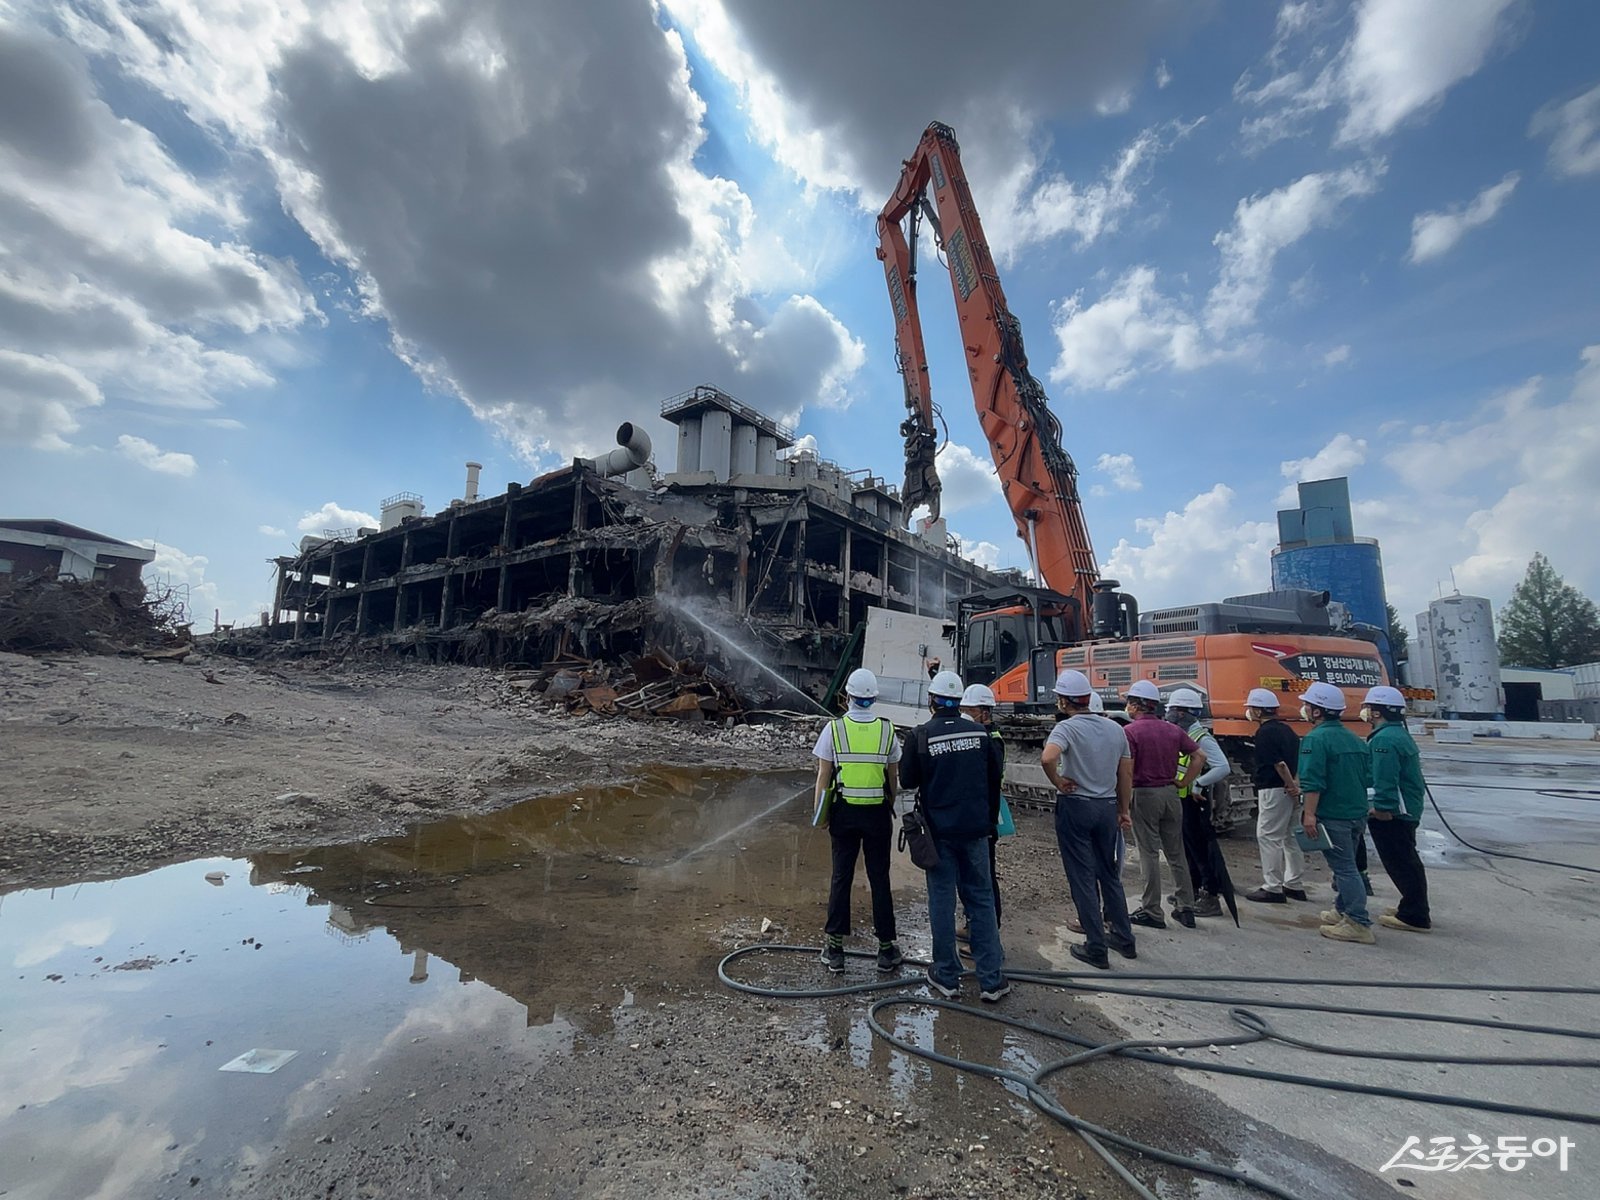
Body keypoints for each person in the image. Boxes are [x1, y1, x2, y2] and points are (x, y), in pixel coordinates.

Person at [899, 669, 1009, 1002]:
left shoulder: (920, 736)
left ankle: (946, 976)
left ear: (931, 700)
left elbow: (907, 781)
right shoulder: (980, 734)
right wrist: (990, 824)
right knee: (981, 900)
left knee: (942, 900)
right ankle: (992, 980)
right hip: (976, 832)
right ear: (959, 702)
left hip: (939, 833)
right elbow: (995, 780)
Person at [1041, 669, 1136, 969]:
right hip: (1107, 807)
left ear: (1065, 701)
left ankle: (1096, 946)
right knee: (1108, 873)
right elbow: (1125, 774)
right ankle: (1123, 937)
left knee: (1082, 876)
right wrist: (1124, 810)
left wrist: (1058, 781)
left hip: (1076, 807)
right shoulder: (1116, 730)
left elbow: (1047, 758)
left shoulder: (1067, 729)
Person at [812, 668, 903, 972]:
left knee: (841, 877)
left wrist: (820, 815)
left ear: (847, 696)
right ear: (873, 698)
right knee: (879, 879)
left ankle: (835, 950)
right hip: (877, 813)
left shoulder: (834, 730)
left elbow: (823, 777)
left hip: (844, 812)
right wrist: (888, 805)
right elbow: (893, 778)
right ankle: (887, 950)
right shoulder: (887, 731)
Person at [1121, 679, 1203, 929]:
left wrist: (1123, 805)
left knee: (1148, 852)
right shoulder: (1173, 730)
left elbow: (1127, 770)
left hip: (1145, 794)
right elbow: (1199, 756)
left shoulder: (1131, 732)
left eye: (1129, 703)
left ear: (1136, 705)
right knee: (1176, 852)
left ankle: (1152, 910)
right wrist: (1184, 782)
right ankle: (1186, 907)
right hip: (1170, 793)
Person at [1298, 681, 1375, 944]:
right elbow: (1367, 776)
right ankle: (1343, 910)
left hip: (1334, 814)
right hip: (1356, 813)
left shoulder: (1315, 739)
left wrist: (1309, 815)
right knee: (1348, 864)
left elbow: (1312, 781)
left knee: (1344, 869)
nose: (1304, 709)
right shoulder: (1354, 738)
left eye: (1308, 705)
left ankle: (1357, 921)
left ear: (1317, 711)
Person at [1363, 686, 1431, 932]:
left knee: (1401, 862)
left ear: (1377, 712)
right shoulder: (1397, 734)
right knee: (1407, 860)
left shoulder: (1384, 740)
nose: (1365, 712)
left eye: (1368, 708)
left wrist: (1382, 808)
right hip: (1408, 808)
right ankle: (1411, 906)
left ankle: (1415, 914)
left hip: (1395, 813)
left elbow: (1385, 778)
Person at [1165, 689, 1231, 919]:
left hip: (1195, 803)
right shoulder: (1183, 734)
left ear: (1182, 712)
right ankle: (1191, 891)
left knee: (1201, 849)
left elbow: (1223, 767)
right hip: (1183, 801)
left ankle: (1210, 895)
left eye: (1172, 710)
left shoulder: (1201, 737)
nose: (1169, 715)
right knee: (1187, 848)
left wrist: (1198, 784)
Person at [1242, 688, 1308, 904]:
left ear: (1259, 711)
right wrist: (1295, 786)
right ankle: (1294, 884)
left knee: (1268, 836)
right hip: (1290, 789)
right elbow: (1294, 760)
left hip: (1273, 789)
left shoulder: (1265, 733)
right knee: (1290, 836)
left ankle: (1272, 887)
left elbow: (1278, 764)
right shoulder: (1287, 730)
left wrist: (1289, 785)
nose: (1249, 712)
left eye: (1251, 708)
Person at [959, 683, 1004, 928]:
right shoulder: (982, 736)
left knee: (983, 878)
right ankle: (973, 924)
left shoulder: (991, 741)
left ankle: (988, 930)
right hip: (980, 815)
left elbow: (989, 783)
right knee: (972, 876)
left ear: (985, 712)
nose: (966, 715)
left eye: (970, 710)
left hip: (984, 818)